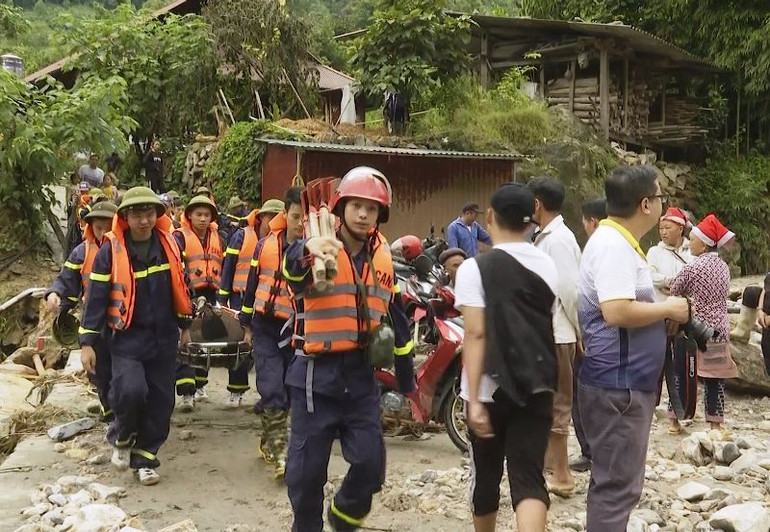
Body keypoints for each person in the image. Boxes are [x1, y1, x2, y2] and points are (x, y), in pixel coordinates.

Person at [282, 166, 416, 532]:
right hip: (315, 376)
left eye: (371, 209)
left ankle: (342, 519)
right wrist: (305, 251)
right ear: (340, 209)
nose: (363, 214)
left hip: (359, 377)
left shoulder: (383, 258)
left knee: (371, 465)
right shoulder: (318, 246)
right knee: (307, 476)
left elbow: (398, 320)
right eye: (356, 206)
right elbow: (292, 270)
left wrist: (408, 382)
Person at [577, 165, 690, 530]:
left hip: (621, 385)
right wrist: (669, 308)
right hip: (618, 387)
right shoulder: (613, 246)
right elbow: (616, 311)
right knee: (616, 490)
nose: (661, 205)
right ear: (646, 204)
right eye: (660, 198)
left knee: (617, 485)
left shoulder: (619, 242)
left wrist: (658, 315)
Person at [456, 182, 559, 532]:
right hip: (537, 384)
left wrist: (472, 403)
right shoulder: (548, 265)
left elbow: (475, 333)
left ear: (490, 217)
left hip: (487, 389)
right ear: (532, 222)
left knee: (486, 479)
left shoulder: (474, 268)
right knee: (529, 480)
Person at [79, 187, 192, 486]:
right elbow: (96, 299)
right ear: (126, 217)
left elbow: (181, 288)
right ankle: (123, 434)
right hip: (127, 339)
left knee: (161, 400)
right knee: (129, 390)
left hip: (164, 337)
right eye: (137, 214)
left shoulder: (169, 245)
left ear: (157, 215)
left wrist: (186, 328)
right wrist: (87, 342)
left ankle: (145, 458)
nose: (143, 220)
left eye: (149, 213)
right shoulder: (110, 251)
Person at [238, 190, 301, 477]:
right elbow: (251, 287)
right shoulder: (265, 246)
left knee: (288, 392)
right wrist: (246, 324)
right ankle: (280, 454)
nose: (300, 223)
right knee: (272, 386)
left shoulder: (317, 252)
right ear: (285, 215)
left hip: (298, 331)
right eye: (295, 216)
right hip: (265, 327)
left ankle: (269, 439)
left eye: (305, 218)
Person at [528, 176, 581, 496]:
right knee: (550, 404)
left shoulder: (558, 239)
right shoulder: (548, 236)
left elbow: (569, 291)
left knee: (559, 405)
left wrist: (579, 330)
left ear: (537, 203)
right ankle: (552, 468)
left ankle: (562, 476)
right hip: (551, 332)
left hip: (559, 333)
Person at [172, 196, 248, 410]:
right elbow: (176, 266)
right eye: (199, 215)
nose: (203, 219)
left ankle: (233, 390)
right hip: (188, 294)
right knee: (187, 342)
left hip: (215, 294)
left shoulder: (221, 238)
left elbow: (227, 266)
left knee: (225, 339)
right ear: (189, 216)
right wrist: (188, 296)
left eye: (207, 215)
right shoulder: (179, 237)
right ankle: (188, 392)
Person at [47, 201, 118, 421]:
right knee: (98, 370)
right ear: (91, 227)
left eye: (110, 227)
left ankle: (126, 413)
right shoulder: (82, 252)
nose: (104, 232)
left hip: (124, 318)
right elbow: (67, 281)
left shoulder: (127, 250)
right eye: (99, 227)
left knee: (126, 368)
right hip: (94, 321)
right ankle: (110, 413)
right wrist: (55, 295)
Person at [668, 214, 737, 434]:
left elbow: (675, 289)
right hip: (719, 329)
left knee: (680, 373)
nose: (690, 245)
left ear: (705, 245)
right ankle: (715, 424)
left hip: (694, 329)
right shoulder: (724, 268)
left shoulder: (693, 268)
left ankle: (674, 421)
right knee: (715, 378)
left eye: (693, 240)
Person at [219, 199, 285, 311]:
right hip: (239, 299)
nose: (275, 222)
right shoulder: (241, 236)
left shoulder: (284, 243)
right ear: (261, 217)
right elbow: (228, 269)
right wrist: (223, 300)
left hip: (265, 302)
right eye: (271, 218)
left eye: (279, 219)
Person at [647, 206, 693, 301]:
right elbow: (649, 275)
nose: (663, 232)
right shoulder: (654, 252)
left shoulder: (691, 251)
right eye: (661, 229)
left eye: (667, 228)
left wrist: (677, 287)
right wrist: (669, 282)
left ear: (680, 229)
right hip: (660, 309)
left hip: (687, 310)